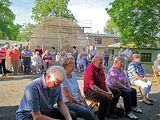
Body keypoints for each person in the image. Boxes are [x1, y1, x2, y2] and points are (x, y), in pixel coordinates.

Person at [84, 54, 121, 120]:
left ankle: (109, 113)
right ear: (94, 61)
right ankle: (101, 117)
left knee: (117, 92)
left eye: (102, 62)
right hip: (90, 91)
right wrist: (106, 93)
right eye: (100, 62)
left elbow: (104, 82)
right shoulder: (89, 69)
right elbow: (93, 87)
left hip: (100, 89)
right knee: (105, 98)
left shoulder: (100, 68)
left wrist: (109, 91)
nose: (101, 64)